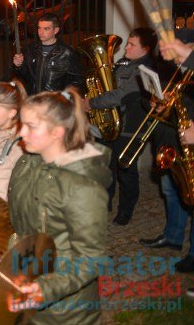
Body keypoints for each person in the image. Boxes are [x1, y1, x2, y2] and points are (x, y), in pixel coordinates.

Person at [9, 89, 110, 324]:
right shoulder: (26, 163)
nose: (21, 132)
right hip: (26, 283)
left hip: (65, 311)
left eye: (31, 126)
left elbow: (90, 260)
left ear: (57, 132)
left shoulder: (82, 189)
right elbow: (18, 222)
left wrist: (45, 289)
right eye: (22, 124)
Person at [83, 28, 157, 226]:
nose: (126, 48)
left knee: (126, 170)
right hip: (110, 125)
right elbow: (106, 87)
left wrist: (92, 103)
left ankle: (126, 211)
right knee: (106, 166)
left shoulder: (145, 70)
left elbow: (121, 95)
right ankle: (104, 203)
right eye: (127, 43)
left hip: (130, 129)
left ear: (145, 49)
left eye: (132, 45)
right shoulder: (123, 64)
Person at [139, 37, 194, 274]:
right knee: (171, 191)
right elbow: (148, 99)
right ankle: (173, 236)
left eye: (184, 52)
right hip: (169, 142)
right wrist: (156, 105)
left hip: (186, 143)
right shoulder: (170, 71)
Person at [12, 12, 84, 95]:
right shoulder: (31, 49)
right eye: (39, 28)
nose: (41, 32)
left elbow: (78, 81)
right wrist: (18, 66)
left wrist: (64, 97)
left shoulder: (67, 53)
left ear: (56, 30)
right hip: (34, 99)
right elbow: (25, 77)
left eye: (46, 29)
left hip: (54, 101)